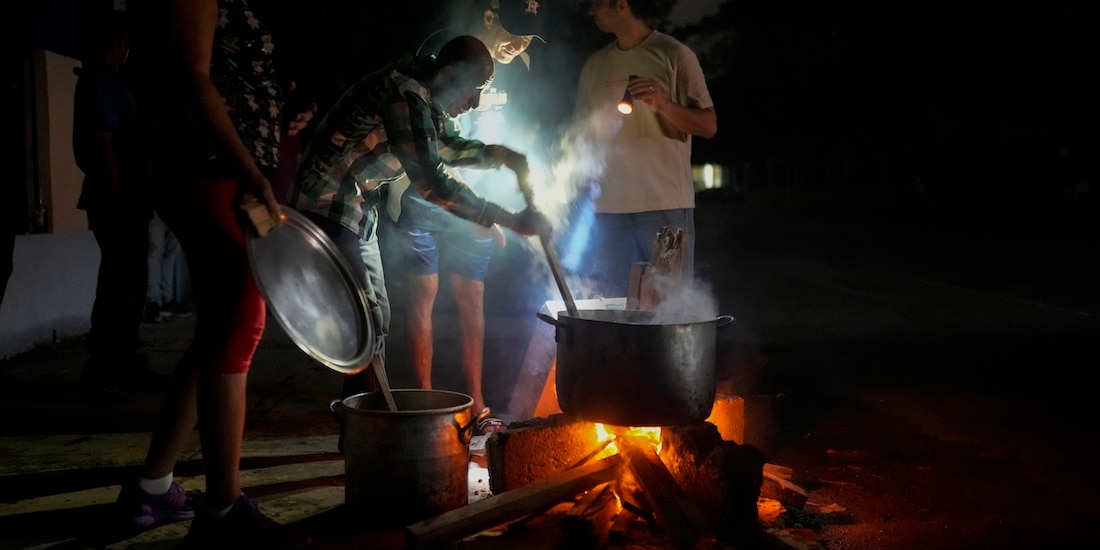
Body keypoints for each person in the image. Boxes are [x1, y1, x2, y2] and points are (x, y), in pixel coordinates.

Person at [111, 0, 313, 546]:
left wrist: (280, 110)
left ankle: (152, 489)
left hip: (220, 165)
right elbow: (191, 77)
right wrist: (248, 168)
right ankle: (222, 514)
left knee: (219, 332)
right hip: (207, 167)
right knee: (240, 322)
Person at [288, 35, 552, 448]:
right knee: (367, 321)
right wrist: (508, 219)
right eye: (475, 89)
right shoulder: (404, 93)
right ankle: (367, 435)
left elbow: (447, 146)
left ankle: (360, 431)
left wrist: (504, 156)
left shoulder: (424, 95)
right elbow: (431, 181)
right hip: (330, 205)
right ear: (448, 74)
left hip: (357, 208)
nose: (476, 103)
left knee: (374, 323)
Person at [385, 0, 552, 434]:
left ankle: (476, 403)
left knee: (470, 298)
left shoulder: (522, 67)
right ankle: (424, 397)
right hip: (427, 190)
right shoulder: (446, 51)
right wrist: (492, 212)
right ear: (491, 17)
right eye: (513, 33)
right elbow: (434, 150)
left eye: (527, 39)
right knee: (423, 293)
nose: (518, 45)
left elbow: (524, 125)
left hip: (477, 196)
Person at [573, 0, 716, 297]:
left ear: (622, 5)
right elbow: (581, 136)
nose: (591, 12)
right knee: (615, 306)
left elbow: (708, 125)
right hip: (608, 210)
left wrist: (663, 104)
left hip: (664, 206)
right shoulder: (595, 65)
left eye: (598, 4)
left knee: (668, 307)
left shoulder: (674, 54)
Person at [71, 8, 157, 397]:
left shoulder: (100, 81)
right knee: (122, 284)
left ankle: (116, 361)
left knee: (124, 282)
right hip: (118, 200)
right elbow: (104, 144)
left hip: (119, 197)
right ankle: (111, 364)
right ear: (120, 45)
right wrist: (121, 195)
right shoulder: (103, 82)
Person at [144, 212, 192, 323]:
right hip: (158, 207)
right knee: (155, 253)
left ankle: (165, 300)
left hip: (177, 208)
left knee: (169, 253)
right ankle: (154, 302)